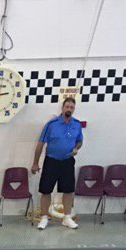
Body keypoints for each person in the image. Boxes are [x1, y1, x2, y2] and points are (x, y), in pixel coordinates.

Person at [31, 96, 83, 231]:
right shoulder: (51, 124)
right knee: (46, 190)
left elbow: (79, 141)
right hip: (51, 161)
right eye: (67, 107)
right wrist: (35, 163)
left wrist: (77, 148)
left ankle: (67, 218)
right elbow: (41, 144)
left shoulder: (76, 124)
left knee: (68, 191)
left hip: (67, 162)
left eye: (72, 107)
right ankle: (43, 217)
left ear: (74, 109)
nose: (69, 109)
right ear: (62, 108)